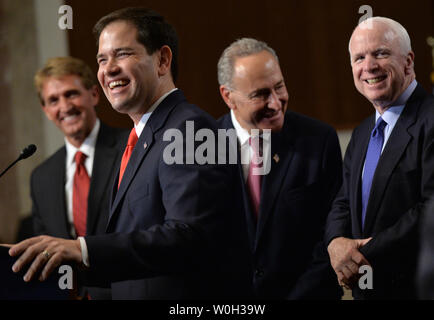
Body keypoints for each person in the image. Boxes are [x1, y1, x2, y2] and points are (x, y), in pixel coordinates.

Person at [9, 7, 247, 300]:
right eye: (102, 59)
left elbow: (190, 236)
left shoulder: (192, 128)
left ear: (162, 60)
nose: (108, 69)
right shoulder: (139, 140)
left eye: (122, 54)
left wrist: (82, 249)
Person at [217, 38, 343, 299]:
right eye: (260, 94)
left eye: (279, 87)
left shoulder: (318, 141)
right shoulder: (203, 149)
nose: (275, 103)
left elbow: (332, 235)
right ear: (228, 96)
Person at [325, 17, 434, 299]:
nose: (369, 66)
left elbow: (431, 209)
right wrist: (336, 243)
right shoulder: (363, 132)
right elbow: (343, 200)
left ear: (409, 61)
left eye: (381, 53)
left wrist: (359, 255)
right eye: (359, 57)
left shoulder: (430, 119)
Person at [31, 57, 128, 299]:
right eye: (53, 100)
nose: (65, 106)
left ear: (94, 94)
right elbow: (44, 252)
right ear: (45, 110)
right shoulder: (41, 177)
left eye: (71, 94)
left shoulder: (131, 147)